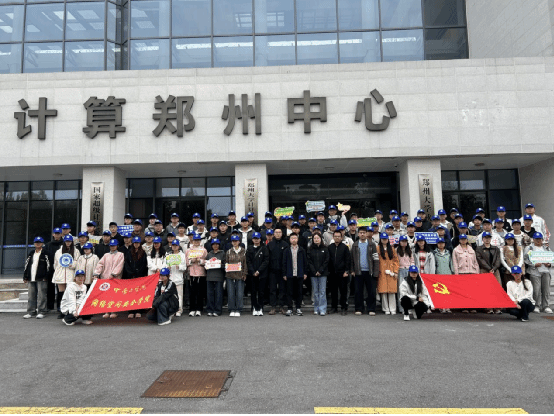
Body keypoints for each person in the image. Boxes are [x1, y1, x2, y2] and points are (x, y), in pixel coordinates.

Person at [350, 227, 380, 316]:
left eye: (364, 232)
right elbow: (351, 259)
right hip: (358, 271)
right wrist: (352, 270)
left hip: (370, 271)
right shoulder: (355, 245)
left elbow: (376, 259)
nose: (362, 234)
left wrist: (376, 272)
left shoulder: (372, 244)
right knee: (358, 291)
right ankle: (359, 308)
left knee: (371, 291)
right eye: (360, 233)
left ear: (366, 234)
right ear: (358, 234)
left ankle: (371, 309)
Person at [23, 237, 52, 320]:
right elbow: (27, 264)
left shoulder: (46, 253)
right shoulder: (31, 253)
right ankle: (31, 312)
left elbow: (49, 266)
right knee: (31, 296)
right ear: (34, 243)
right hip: (31, 277)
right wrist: (25, 276)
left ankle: (42, 311)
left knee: (42, 296)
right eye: (36, 242)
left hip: (42, 278)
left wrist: (46, 276)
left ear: (42, 243)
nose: (38, 244)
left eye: (39, 242)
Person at [523, 232, 553, 314]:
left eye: (539, 239)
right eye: (536, 239)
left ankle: (546, 306)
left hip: (546, 271)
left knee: (546, 290)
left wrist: (549, 264)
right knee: (536, 290)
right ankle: (536, 305)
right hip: (535, 271)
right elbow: (525, 259)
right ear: (533, 239)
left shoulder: (546, 248)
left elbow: (551, 258)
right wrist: (533, 264)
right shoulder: (530, 248)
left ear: (542, 240)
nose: (538, 241)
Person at [52, 235, 81, 319]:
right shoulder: (58, 251)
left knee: (70, 294)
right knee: (61, 294)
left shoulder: (76, 251)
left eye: (69, 241)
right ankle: (62, 311)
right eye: (67, 241)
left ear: (72, 242)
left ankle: (70, 311)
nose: (68, 243)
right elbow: (55, 263)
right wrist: (58, 271)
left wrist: (72, 265)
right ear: (64, 242)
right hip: (60, 275)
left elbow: (78, 262)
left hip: (70, 274)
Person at [476, 231, 502, 314]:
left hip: (495, 270)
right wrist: (489, 268)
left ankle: (497, 307)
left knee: (497, 289)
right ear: (482, 239)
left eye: (489, 238)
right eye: (485, 238)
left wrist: (494, 268)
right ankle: (488, 307)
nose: (487, 239)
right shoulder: (479, 248)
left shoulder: (496, 248)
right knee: (486, 289)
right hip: (484, 270)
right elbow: (480, 259)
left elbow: (498, 259)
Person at [452, 234, 479, 313]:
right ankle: (464, 307)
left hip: (472, 272)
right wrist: (456, 274)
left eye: (464, 239)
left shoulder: (471, 249)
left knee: (472, 291)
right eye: (462, 239)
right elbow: (455, 263)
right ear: (459, 240)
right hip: (462, 272)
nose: (463, 241)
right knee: (463, 291)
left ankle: (472, 306)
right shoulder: (456, 250)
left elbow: (475, 262)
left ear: (467, 240)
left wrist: (477, 272)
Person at [282, 234, 308, 317]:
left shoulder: (301, 250)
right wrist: (284, 274)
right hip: (289, 274)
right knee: (289, 292)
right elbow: (284, 263)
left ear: (297, 239)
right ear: (290, 240)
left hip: (299, 274)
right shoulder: (286, 250)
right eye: (292, 238)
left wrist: (305, 273)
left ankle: (298, 308)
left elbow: (305, 262)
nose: (293, 239)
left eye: (295, 238)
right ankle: (289, 308)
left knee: (299, 292)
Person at [124, 237, 149, 319]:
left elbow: (144, 265)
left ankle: (139, 311)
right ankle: (131, 311)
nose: (136, 244)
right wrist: (131, 273)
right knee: (131, 294)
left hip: (140, 276)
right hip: (131, 277)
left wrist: (139, 273)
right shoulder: (129, 252)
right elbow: (126, 264)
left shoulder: (143, 253)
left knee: (139, 294)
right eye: (135, 243)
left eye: (138, 243)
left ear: (140, 244)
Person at [327, 230, 351, 315]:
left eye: (338, 236)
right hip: (332, 273)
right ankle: (334, 307)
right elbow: (328, 260)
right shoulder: (330, 247)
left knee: (343, 291)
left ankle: (344, 308)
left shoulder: (345, 247)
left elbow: (348, 260)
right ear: (333, 237)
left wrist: (346, 271)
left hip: (342, 273)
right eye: (335, 236)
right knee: (333, 291)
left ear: (341, 237)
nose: (337, 238)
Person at [247, 232, 269, 316]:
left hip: (262, 274)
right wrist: (253, 271)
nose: (256, 240)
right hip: (252, 274)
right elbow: (248, 261)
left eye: (257, 238)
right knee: (253, 292)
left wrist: (259, 271)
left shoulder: (264, 248)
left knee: (261, 292)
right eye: (254, 238)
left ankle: (260, 308)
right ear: (252, 239)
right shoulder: (249, 248)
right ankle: (254, 307)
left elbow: (266, 261)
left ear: (260, 239)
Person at [267, 228, 289, 315]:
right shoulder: (270, 244)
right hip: (272, 271)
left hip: (282, 271)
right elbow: (267, 258)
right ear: (273, 234)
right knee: (272, 289)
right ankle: (273, 307)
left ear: (282, 233)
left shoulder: (285, 244)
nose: (278, 234)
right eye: (276, 232)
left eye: (279, 232)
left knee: (282, 289)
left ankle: (281, 306)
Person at [377, 232, 400, 315]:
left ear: (388, 240)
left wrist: (395, 271)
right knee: (383, 292)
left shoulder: (392, 249)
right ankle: (385, 308)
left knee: (392, 292)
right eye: (383, 239)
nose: (384, 240)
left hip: (391, 272)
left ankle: (393, 308)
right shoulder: (377, 248)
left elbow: (396, 261)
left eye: (385, 239)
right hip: (382, 272)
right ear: (380, 239)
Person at [186, 233, 208, 317]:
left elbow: (206, 261)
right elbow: (186, 262)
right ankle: (192, 309)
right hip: (191, 272)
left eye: (198, 240)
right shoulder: (188, 250)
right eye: (195, 240)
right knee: (192, 292)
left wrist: (200, 261)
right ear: (192, 240)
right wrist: (191, 261)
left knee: (200, 292)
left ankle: (199, 309)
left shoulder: (203, 250)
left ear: (200, 241)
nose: (196, 242)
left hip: (201, 273)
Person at [226, 234, 247, 317]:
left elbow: (245, 263)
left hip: (240, 275)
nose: (234, 242)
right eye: (233, 241)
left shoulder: (243, 251)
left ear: (239, 242)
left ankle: (238, 309)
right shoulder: (228, 251)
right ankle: (232, 309)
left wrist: (244, 273)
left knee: (239, 293)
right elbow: (226, 263)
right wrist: (227, 268)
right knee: (231, 293)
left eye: (236, 241)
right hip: (230, 275)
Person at [308, 234, 329, 316]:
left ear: (321, 239)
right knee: (315, 291)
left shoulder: (325, 249)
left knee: (322, 291)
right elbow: (309, 261)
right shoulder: (310, 249)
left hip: (323, 273)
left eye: (318, 238)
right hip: (313, 273)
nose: (316, 239)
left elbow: (327, 260)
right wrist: (314, 271)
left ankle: (322, 309)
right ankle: (316, 308)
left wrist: (320, 270)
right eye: (315, 238)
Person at [164, 240, 186, 317]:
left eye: (176, 245)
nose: (174, 247)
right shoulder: (168, 255)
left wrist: (179, 267)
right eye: (173, 245)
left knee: (179, 295)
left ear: (178, 246)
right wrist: (167, 267)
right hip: (170, 279)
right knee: (170, 295)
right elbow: (164, 265)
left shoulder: (182, 255)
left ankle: (179, 310)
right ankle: (172, 310)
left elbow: (184, 267)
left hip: (179, 278)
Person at [433, 237, 454, 314]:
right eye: (439, 243)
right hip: (439, 274)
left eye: (442, 243)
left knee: (447, 292)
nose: (441, 245)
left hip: (448, 274)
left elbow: (451, 264)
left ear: (445, 244)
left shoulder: (448, 253)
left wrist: (453, 272)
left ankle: (448, 307)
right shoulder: (434, 253)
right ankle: (441, 307)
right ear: (437, 244)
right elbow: (434, 265)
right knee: (440, 291)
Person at [205, 239, 225, 317]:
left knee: (218, 294)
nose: (215, 246)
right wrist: (207, 265)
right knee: (209, 294)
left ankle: (218, 310)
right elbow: (206, 264)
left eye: (217, 244)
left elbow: (225, 264)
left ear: (219, 245)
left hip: (219, 276)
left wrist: (219, 264)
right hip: (210, 276)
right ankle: (210, 310)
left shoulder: (222, 253)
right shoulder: (209, 254)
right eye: (213, 244)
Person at [395, 235, 414, 315]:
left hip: (408, 270)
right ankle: (401, 308)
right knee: (401, 289)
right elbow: (395, 261)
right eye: (402, 241)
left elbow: (412, 261)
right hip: (400, 270)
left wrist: (412, 269)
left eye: (405, 241)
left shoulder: (409, 250)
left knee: (409, 289)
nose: (404, 243)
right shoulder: (396, 250)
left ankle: (409, 307)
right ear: (399, 242)